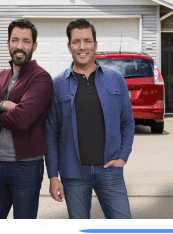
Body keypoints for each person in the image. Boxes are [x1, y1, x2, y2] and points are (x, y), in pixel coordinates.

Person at [45, 18, 135, 219]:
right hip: (73, 174)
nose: (82, 47)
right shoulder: (57, 84)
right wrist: (53, 176)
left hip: (110, 170)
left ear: (95, 44)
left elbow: (127, 122)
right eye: (76, 42)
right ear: (69, 46)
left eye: (87, 41)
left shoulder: (115, 79)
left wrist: (123, 157)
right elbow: (50, 132)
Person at [0, 18, 53, 219]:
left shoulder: (41, 78)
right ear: (8, 43)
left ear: (34, 46)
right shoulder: (0, 77)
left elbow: (21, 120)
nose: (19, 46)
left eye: (25, 41)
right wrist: (1, 104)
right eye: (15, 40)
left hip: (26, 168)